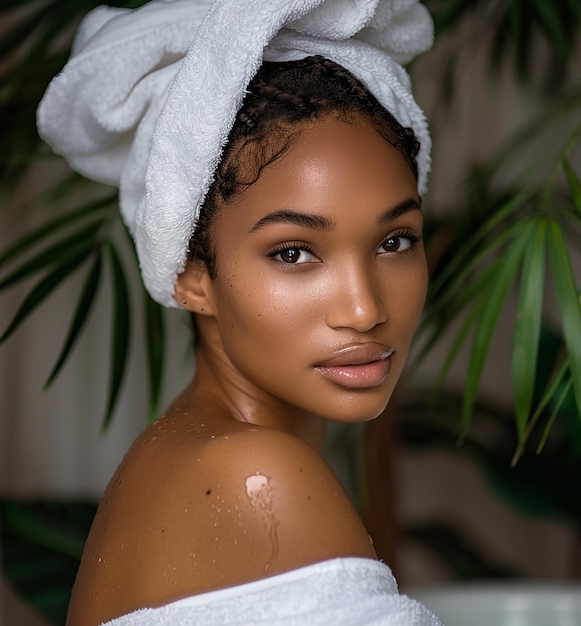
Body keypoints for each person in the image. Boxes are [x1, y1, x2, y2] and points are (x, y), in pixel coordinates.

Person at [38, 1, 441, 624]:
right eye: (293, 252)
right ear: (191, 276)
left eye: (395, 241)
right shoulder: (257, 479)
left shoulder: (182, 451)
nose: (364, 308)